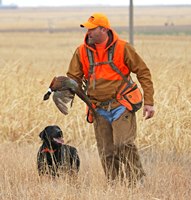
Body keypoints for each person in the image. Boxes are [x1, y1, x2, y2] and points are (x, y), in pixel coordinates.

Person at [67, 13, 154, 186]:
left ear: (104, 29)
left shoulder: (123, 48)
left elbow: (143, 72)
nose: (88, 33)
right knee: (107, 152)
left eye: (92, 29)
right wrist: (62, 90)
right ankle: (115, 185)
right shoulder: (81, 51)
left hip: (121, 104)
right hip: (97, 108)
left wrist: (149, 102)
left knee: (123, 144)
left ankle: (136, 180)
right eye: (87, 29)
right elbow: (73, 78)